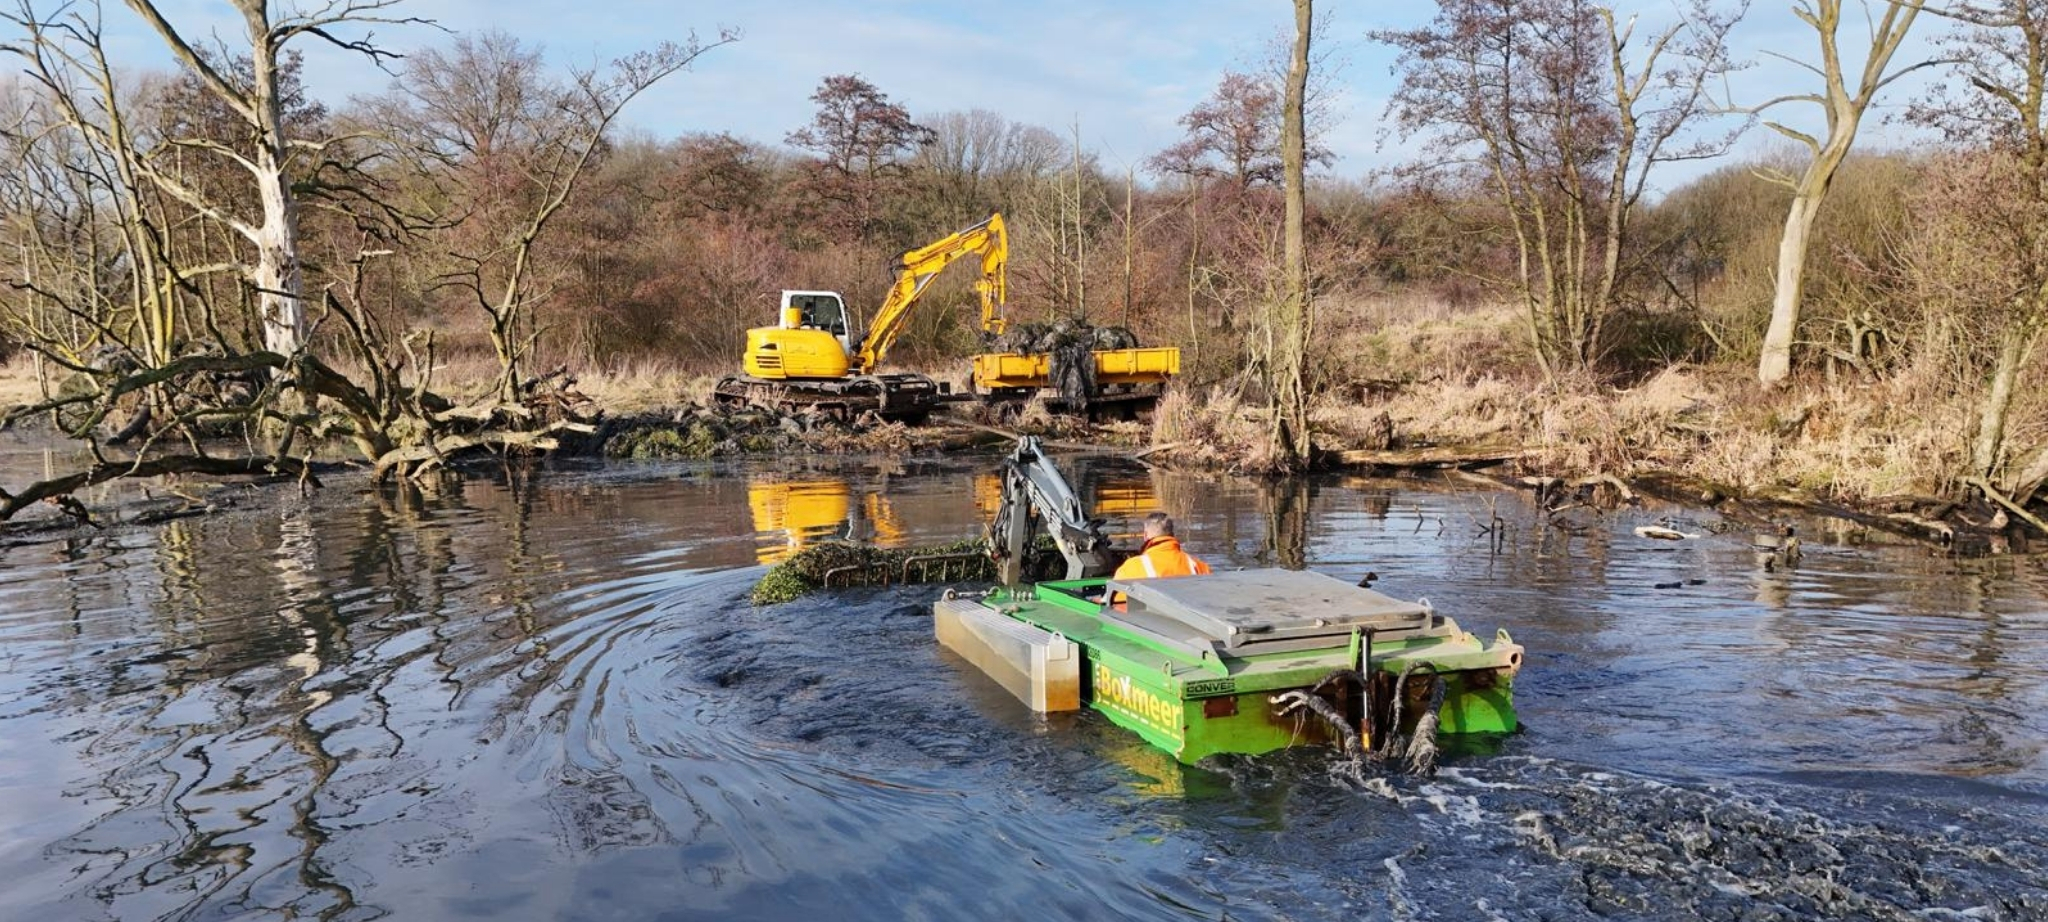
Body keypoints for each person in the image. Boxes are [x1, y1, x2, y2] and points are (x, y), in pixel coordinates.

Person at [1105, 513, 1210, 605]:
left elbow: (1114, 602)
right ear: (1172, 535)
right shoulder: (1199, 566)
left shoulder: (1132, 567)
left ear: (1145, 535)